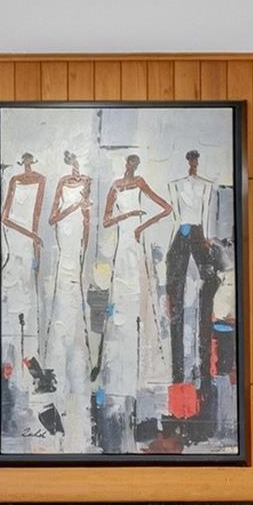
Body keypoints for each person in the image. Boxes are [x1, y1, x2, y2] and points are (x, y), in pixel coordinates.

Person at [100, 153, 174, 430]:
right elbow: (106, 220)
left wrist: (142, 225)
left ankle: (143, 375)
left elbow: (166, 208)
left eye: (135, 164)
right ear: (125, 164)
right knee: (121, 307)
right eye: (129, 163)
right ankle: (119, 376)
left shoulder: (141, 182)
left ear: (138, 167)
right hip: (122, 247)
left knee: (141, 306)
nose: (131, 167)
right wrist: (129, 215)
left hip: (136, 244)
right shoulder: (116, 186)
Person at [41, 150, 94, 449]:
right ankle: (56, 369)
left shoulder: (87, 183)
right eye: (73, 161)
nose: (77, 167)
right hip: (64, 241)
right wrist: (73, 206)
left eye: (79, 162)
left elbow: (87, 223)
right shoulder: (63, 183)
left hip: (77, 250)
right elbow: (52, 218)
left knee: (76, 308)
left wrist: (85, 251)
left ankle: (77, 370)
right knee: (61, 305)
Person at [165, 149, 224, 399]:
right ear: (187, 161)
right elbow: (177, 216)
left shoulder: (206, 186)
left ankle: (203, 368)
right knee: (176, 294)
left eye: (195, 160)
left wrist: (207, 241)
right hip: (182, 232)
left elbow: (206, 216)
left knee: (207, 283)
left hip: (198, 234)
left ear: (197, 162)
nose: (193, 164)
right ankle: (178, 372)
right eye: (190, 160)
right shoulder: (175, 185)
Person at [0, 152, 46, 443]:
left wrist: (35, 240)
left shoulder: (40, 181)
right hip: (18, 240)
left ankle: (26, 361)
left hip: (28, 242)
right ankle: (12, 362)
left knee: (27, 302)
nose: (28, 166)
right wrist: (30, 234)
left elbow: (37, 215)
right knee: (12, 299)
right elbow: (5, 217)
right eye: (26, 162)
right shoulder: (15, 180)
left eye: (31, 162)